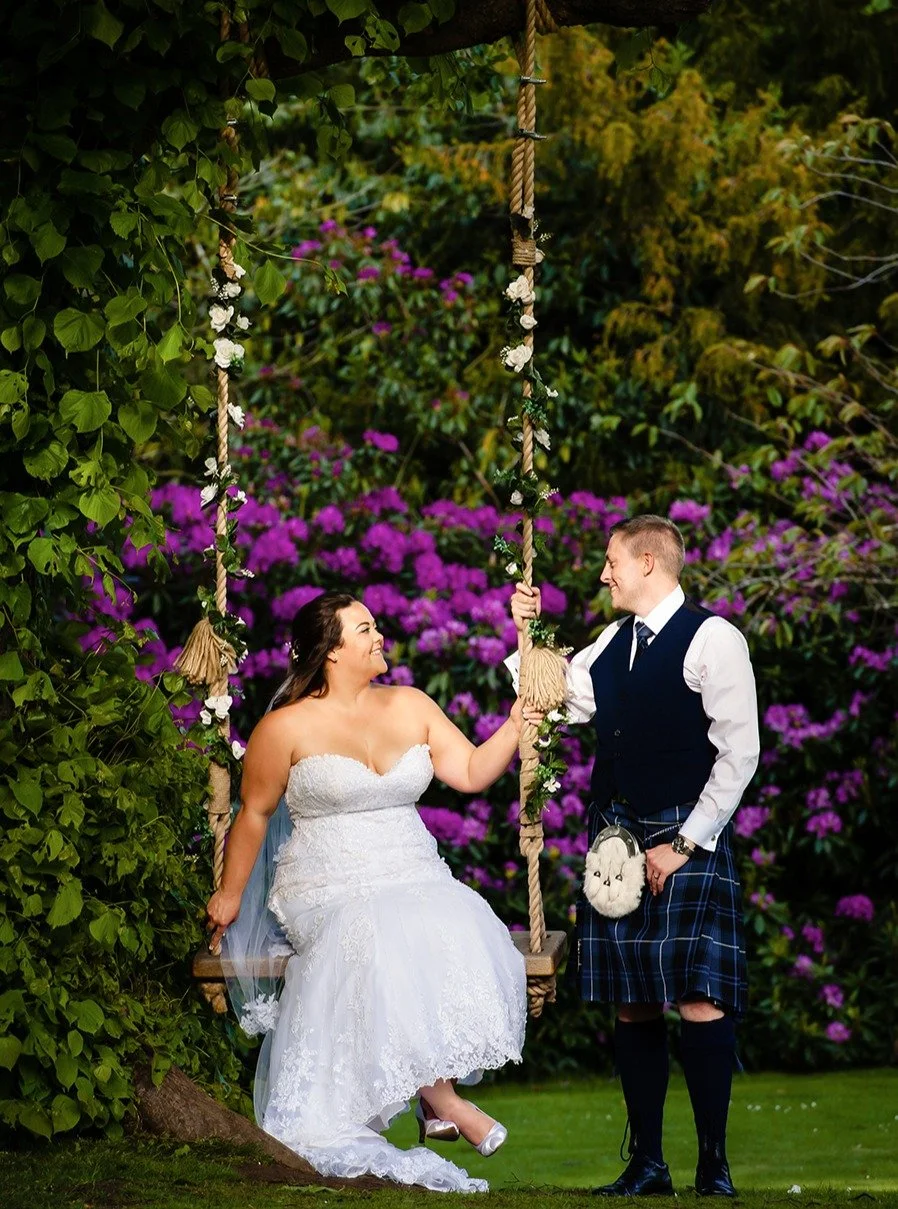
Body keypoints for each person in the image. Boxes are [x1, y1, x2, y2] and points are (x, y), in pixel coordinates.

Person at [206, 589, 534, 1192]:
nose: (379, 636)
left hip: (412, 872)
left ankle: (436, 1097)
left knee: (453, 920)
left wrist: (517, 722)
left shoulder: (410, 704)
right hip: (326, 885)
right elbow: (252, 815)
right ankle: (445, 1101)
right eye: (365, 629)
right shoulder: (284, 727)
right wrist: (229, 894)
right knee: (375, 929)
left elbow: (470, 772)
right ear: (331, 650)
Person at [509, 515, 760, 1198]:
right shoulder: (610, 644)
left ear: (648, 561)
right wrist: (525, 631)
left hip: (687, 833)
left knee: (701, 997)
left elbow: (741, 753)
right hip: (617, 840)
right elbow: (550, 696)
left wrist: (683, 844)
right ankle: (648, 1164)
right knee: (632, 999)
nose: (603, 573)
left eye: (611, 560)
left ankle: (715, 1166)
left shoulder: (714, 637)